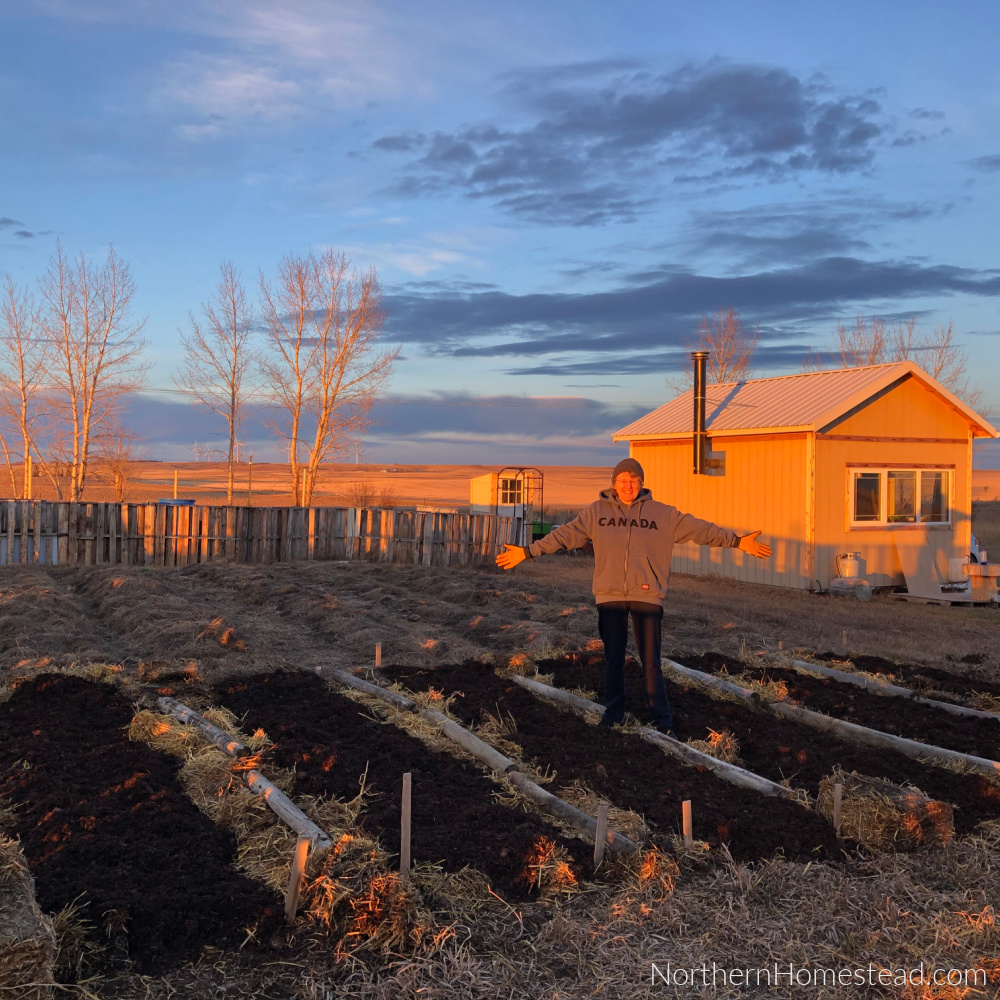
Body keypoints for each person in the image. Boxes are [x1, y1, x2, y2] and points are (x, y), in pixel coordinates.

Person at [496, 458, 771, 735]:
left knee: (650, 660)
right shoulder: (596, 513)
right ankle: (614, 714)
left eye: (633, 480)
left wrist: (737, 541)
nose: (628, 485)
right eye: (622, 480)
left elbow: (701, 529)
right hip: (609, 595)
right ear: (613, 483)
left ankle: (661, 721)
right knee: (613, 657)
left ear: (642, 483)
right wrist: (528, 551)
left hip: (647, 595)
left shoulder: (663, 515)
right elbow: (564, 535)